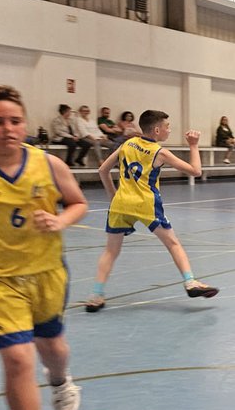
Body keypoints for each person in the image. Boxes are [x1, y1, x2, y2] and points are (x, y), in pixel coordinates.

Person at [0, 85, 87, 410]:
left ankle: (60, 381)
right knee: (17, 358)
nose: (7, 129)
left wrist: (60, 221)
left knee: (53, 348)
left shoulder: (49, 165)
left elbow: (77, 202)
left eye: (14, 121)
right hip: (3, 282)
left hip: (47, 273)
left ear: (26, 124)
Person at [86, 110, 219, 312]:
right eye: (167, 126)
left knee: (111, 251)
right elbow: (196, 171)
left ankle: (96, 295)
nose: (169, 129)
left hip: (121, 203)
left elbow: (102, 170)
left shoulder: (126, 144)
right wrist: (193, 145)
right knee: (173, 243)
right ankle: (190, 282)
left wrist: (113, 195)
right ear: (157, 130)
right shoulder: (160, 152)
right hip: (146, 203)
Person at [49, 103, 92, 168]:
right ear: (64, 112)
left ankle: (79, 159)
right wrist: (71, 137)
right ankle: (68, 161)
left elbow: (75, 130)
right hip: (61, 138)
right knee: (72, 144)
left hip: (72, 137)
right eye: (69, 111)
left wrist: (76, 136)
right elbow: (58, 132)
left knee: (87, 144)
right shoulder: (57, 120)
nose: (70, 113)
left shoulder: (71, 120)